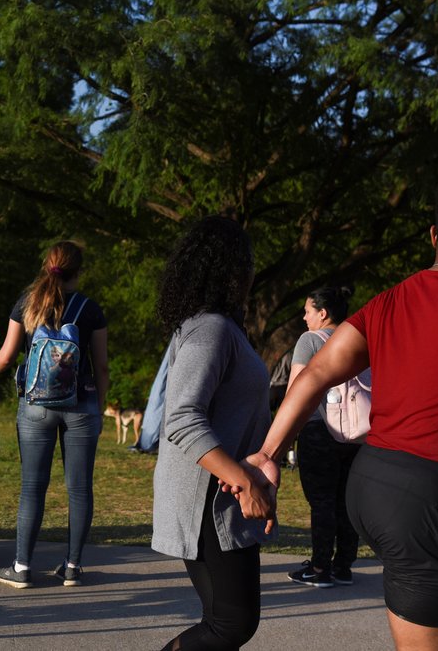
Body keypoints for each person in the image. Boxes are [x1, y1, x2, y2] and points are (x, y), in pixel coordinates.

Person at [241, 172, 438, 650]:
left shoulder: (387, 302)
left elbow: (315, 373)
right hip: (433, 500)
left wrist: (268, 453)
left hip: (373, 485)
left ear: (433, 237)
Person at [152, 216, 275, 651]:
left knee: (223, 621)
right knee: (231, 624)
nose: (252, 272)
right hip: (206, 498)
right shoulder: (211, 329)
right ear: (230, 269)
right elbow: (183, 417)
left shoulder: (223, 327)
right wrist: (244, 483)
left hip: (223, 495)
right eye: (249, 262)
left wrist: (259, 470)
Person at [0, 241, 109, 588]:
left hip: (36, 406)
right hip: (81, 408)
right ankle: (72, 567)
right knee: (79, 489)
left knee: (32, 487)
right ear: (78, 272)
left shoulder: (27, 303)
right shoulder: (90, 310)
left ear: (47, 266)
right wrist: (100, 407)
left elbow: (5, 358)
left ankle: (21, 567)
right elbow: (102, 366)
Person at [284, 286, 361, 588]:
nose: (304, 318)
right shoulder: (357, 338)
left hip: (319, 429)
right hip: (355, 434)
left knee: (322, 501)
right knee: (344, 500)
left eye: (307, 311)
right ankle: (343, 566)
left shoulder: (311, 341)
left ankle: (319, 568)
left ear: (323, 313)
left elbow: (296, 391)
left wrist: (285, 437)